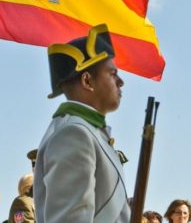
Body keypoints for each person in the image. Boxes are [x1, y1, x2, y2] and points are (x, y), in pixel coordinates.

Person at [34, 24, 130, 223]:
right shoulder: (74, 134)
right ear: (87, 81)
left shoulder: (87, 131)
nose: (121, 82)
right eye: (112, 74)